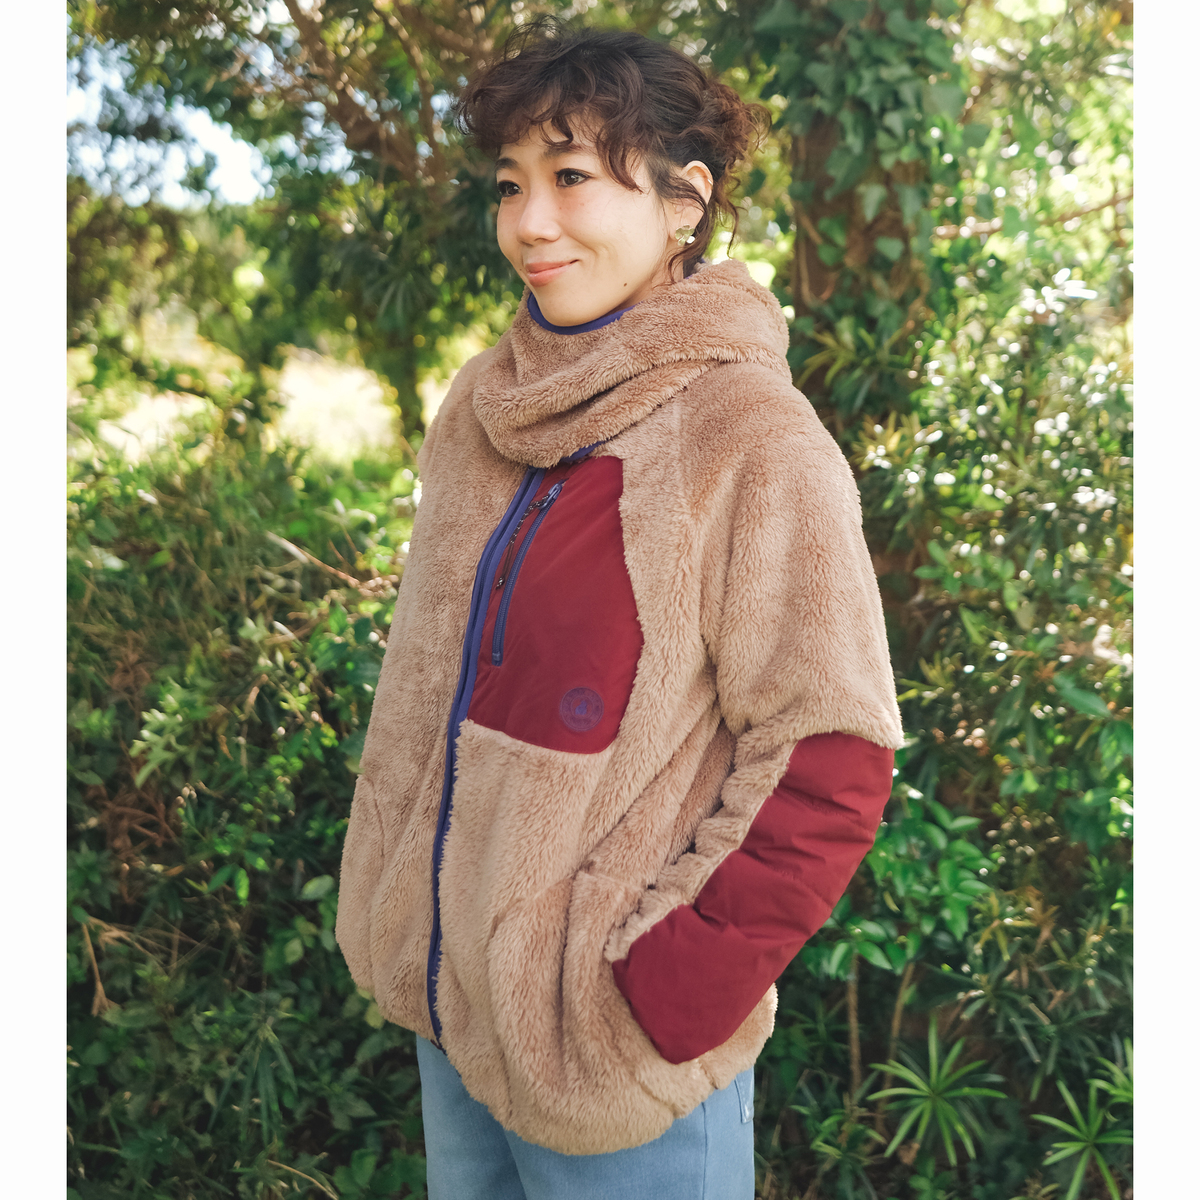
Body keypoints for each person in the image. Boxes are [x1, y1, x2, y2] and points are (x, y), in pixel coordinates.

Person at [335, 18, 903, 1200]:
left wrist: (658, 996)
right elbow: (434, 686)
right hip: (453, 1007)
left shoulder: (750, 437)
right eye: (511, 185)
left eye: (572, 177)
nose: (529, 222)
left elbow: (831, 757)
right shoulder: (483, 408)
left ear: (684, 200)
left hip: (612, 1051)